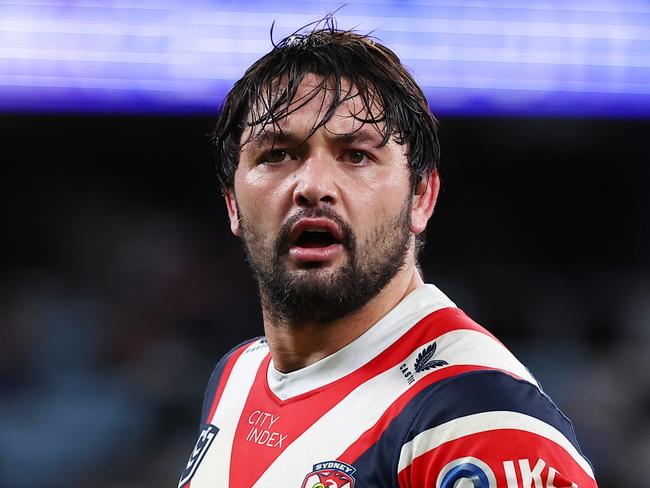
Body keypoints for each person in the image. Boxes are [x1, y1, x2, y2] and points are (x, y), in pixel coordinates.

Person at [178, 21, 598, 488]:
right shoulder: (238, 374)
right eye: (277, 154)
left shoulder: (480, 421)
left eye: (356, 155)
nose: (313, 187)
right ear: (232, 204)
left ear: (420, 196)